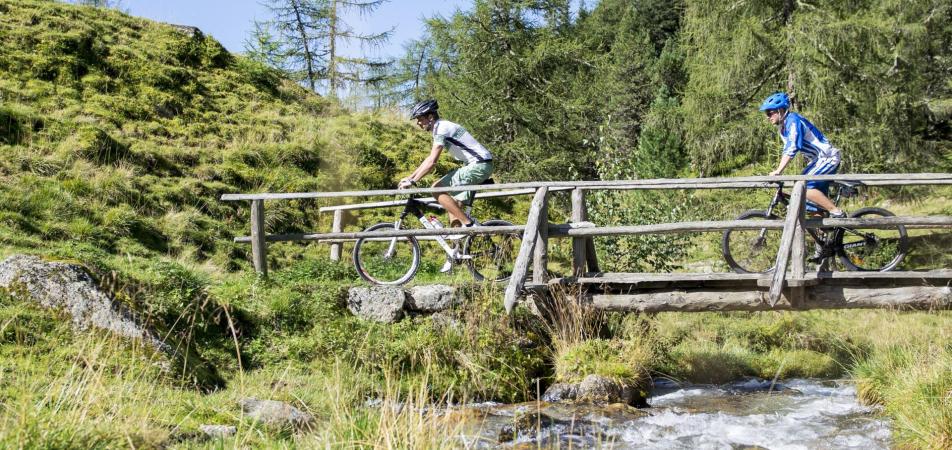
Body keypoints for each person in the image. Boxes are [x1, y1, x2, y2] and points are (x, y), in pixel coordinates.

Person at [399, 99, 494, 271]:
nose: (418, 123)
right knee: (453, 210)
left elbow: (432, 162)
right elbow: (428, 159)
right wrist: (410, 176)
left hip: (479, 165)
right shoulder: (439, 128)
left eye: (420, 119)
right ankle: (453, 254)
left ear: (430, 116)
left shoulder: (441, 127)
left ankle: (470, 225)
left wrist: (413, 181)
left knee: (437, 188)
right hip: (476, 165)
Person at [760, 92, 846, 218]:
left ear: (780, 110)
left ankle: (837, 213)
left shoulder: (793, 121)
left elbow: (792, 147)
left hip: (828, 158)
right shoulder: (783, 128)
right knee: (811, 199)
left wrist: (778, 171)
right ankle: (823, 231)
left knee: (803, 185)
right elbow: (787, 149)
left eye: (769, 112)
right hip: (817, 160)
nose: (767, 117)